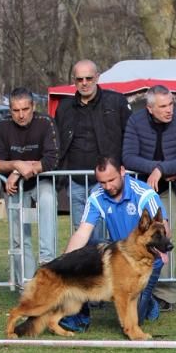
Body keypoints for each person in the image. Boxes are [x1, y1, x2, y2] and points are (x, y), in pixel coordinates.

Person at [59, 156, 170, 331]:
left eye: (111, 180)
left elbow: (163, 229)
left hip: (147, 261)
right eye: (102, 182)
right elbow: (82, 233)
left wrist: (156, 248)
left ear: (122, 171)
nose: (108, 186)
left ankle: (149, 303)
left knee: (136, 320)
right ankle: (78, 317)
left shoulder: (143, 193)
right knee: (84, 250)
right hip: (121, 255)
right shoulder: (97, 195)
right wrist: (63, 264)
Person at [122, 84, 176, 311]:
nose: (169, 110)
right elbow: (128, 156)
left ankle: (165, 294)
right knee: (135, 239)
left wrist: (161, 170)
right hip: (138, 191)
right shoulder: (135, 121)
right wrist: (156, 168)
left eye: (171, 104)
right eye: (163, 106)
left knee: (163, 239)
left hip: (168, 190)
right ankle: (135, 288)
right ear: (149, 108)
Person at [0, 87, 59, 286]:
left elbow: (52, 159)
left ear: (33, 107)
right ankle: (27, 285)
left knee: (48, 201)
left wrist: (18, 171)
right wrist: (15, 165)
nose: (21, 115)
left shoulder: (45, 123)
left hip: (40, 182)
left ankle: (48, 271)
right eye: (16, 110)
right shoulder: (3, 127)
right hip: (16, 189)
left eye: (25, 109)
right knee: (19, 239)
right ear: (10, 110)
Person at [55, 59, 131, 239]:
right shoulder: (65, 107)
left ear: (97, 77)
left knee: (104, 231)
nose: (84, 83)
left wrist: (121, 169)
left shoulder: (116, 102)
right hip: (75, 180)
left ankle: (104, 267)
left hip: (106, 180)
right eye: (79, 79)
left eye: (88, 78)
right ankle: (88, 267)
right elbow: (58, 142)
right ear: (74, 81)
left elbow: (130, 136)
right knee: (81, 232)